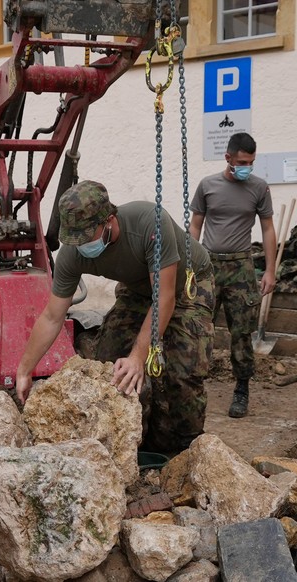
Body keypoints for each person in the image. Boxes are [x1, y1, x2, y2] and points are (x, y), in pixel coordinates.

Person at [15, 180, 216, 454]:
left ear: (109, 219)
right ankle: (135, 440)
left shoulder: (149, 224)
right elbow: (52, 316)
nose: (81, 244)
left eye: (87, 236)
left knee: (182, 371)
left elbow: (165, 298)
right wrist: (25, 369)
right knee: (108, 362)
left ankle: (185, 450)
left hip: (186, 286)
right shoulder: (73, 253)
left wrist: (138, 356)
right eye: (75, 239)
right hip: (137, 289)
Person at [189, 132, 277, 418]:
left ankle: (241, 389)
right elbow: (195, 227)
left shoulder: (259, 188)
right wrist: (190, 266)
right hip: (209, 266)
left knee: (242, 332)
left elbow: (267, 230)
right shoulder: (207, 186)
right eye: (242, 162)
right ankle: (192, 385)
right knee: (199, 328)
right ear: (228, 158)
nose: (246, 167)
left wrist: (271, 271)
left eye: (250, 162)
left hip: (242, 267)